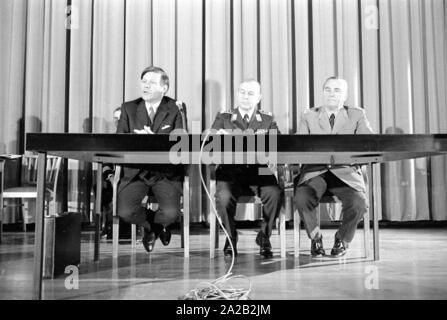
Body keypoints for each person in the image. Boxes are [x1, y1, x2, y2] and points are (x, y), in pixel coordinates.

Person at [106, 66, 186, 253]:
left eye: (151, 83)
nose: (146, 86)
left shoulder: (175, 108)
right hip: (136, 171)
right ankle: (153, 227)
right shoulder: (129, 108)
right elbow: (119, 143)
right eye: (144, 82)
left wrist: (156, 141)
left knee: (171, 213)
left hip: (165, 172)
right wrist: (139, 141)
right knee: (124, 211)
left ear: (164, 88)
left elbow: (181, 143)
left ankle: (157, 227)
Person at [293, 76, 374, 257]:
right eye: (328, 89)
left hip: (345, 171)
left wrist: (355, 164)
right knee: (302, 196)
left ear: (345, 95)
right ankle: (316, 238)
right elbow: (298, 144)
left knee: (359, 203)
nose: (332, 93)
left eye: (337, 90)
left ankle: (342, 239)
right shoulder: (308, 115)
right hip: (315, 171)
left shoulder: (357, 114)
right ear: (322, 93)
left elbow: (369, 143)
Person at [211, 79, 282, 258]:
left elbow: (279, 143)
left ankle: (264, 236)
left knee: (275, 193)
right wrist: (218, 136)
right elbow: (209, 141)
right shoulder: (224, 117)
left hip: (259, 167)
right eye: (242, 92)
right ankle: (231, 236)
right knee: (224, 196)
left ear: (259, 97)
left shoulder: (267, 118)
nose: (245, 96)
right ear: (237, 93)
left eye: (251, 93)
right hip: (230, 167)